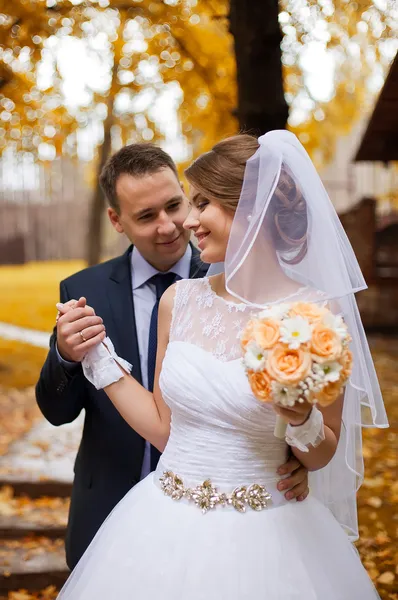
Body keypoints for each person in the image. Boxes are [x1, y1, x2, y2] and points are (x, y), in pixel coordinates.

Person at [56, 131, 387, 599]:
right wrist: (96, 354)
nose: (188, 221)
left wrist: (300, 419)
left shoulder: (316, 316)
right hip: (160, 524)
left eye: (203, 203)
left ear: (249, 207)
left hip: (270, 533)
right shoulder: (180, 300)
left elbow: (321, 452)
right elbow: (163, 426)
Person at [35, 141, 308, 570]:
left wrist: (294, 456)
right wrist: (68, 356)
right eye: (146, 216)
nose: (170, 226)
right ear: (117, 220)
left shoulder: (237, 277)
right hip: (113, 509)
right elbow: (56, 412)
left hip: (244, 522)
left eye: (175, 205)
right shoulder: (83, 291)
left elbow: (291, 421)